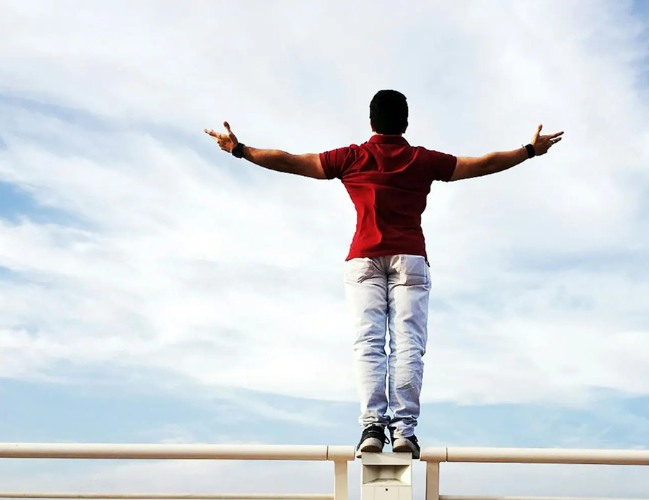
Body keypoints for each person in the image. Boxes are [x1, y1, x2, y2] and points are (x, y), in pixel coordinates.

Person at [205, 90, 563, 459]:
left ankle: (373, 426)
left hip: (363, 259)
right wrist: (529, 151)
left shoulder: (352, 157)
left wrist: (240, 149)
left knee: (368, 343)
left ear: (371, 122)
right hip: (410, 259)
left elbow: (292, 161)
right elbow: (480, 164)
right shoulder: (422, 160)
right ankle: (404, 430)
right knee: (408, 343)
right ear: (405, 123)